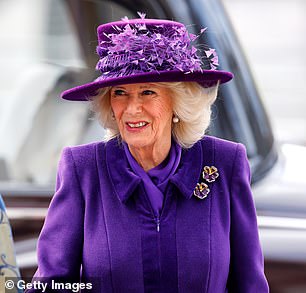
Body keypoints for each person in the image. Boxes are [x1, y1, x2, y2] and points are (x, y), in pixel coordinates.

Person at [27, 14, 269, 292]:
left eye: (147, 92)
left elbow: (250, 285)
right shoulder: (83, 170)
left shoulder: (225, 164)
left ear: (178, 101)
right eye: (119, 92)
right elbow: (52, 284)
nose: (131, 109)